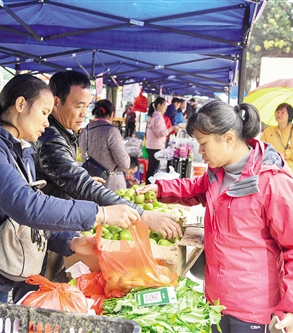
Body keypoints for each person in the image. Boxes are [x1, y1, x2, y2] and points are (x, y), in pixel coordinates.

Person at [0, 74, 140, 315]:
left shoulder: (18, 150)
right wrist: (99, 213)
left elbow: (24, 219)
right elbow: (26, 206)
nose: (47, 122)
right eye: (44, 112)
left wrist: (71, 241)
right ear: (20, 105)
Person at [136, 100, 293, 333]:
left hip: (253, 309)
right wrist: (161, 189)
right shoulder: (218, 173)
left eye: (203, 144)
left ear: (229, 139)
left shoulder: (272, 182)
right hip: (216, 300)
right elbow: (196, 188)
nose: (200, 152)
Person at [12, 71, 183, 301]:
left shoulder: (65, 133)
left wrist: (75, 182)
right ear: (56, 102)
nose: (84, 113)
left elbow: (65, 177)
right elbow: (76, 185)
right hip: (37, 233)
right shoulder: (49, 137)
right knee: (32, 293)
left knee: (40, 288)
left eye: (87, 106)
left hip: (50, 229)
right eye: (78, 105)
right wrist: (140, 214)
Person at [79, 99, 130, 191]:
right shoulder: (112, 131)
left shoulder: (85, 130)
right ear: (112, 114)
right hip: (111, 185)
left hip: (90, 183)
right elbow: (125, 163)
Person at [260, 103, 293, 187]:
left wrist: (286, 154)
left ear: (289, 116)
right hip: (272, 170)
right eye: (278, 112)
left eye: (283, 112)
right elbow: (261, 149)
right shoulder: (268, 131)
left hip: (291, 171)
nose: (279, 114)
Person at [145, 97, 179, 184]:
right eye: (164, 106)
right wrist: (172, 128)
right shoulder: (158, 117)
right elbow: (160, 133)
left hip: (151, 145)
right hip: (155, 146)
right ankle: (149, 186)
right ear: (159, 105)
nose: (166, 108)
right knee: (153, 169)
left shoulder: (152, 114)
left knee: (152, 168)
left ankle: (148, 185)